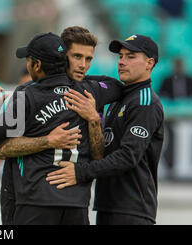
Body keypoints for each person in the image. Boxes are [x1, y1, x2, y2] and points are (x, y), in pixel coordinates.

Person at [0, 32, 122, 225]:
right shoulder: (91, 91)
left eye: (88, 59)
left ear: (37, 64)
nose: (82, 65)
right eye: (77, 57)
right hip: (76, 203)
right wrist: (79, 83)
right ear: (63, 58)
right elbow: (116, 86)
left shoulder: (27, 93)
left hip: (36, 200)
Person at [46, 34, 164, 225]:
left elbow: (128, 157)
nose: (122, 62)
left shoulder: (145, 102)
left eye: (130, 57)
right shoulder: (122, 97)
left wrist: (80, 171)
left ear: (149, 63)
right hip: (109, 206)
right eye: (121, 56)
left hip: (131, 209)